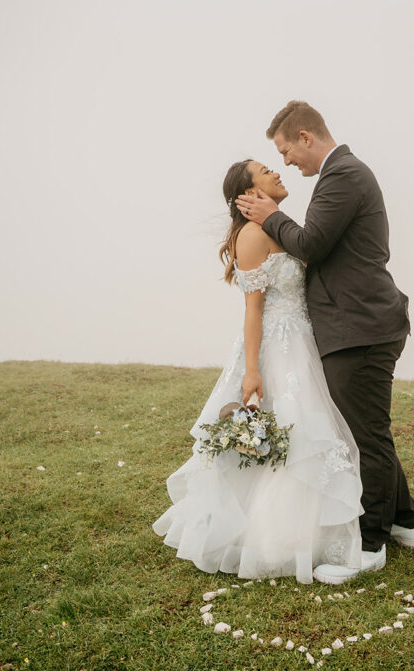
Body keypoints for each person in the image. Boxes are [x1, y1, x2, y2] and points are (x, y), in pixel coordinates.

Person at [236, 101, 414, 584]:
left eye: (285, 150)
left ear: (305, 137)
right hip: (353, 327)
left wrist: (271, 214)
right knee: (364, 426)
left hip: (361, 328)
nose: (286, 162)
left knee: (366, 436)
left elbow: (312, 243)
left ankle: (370, 545)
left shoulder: (344, 174)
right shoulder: (339, 175)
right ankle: (408, 520)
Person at [152, 159, 363, 585]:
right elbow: (253, 311)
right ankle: (268, 541)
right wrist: (252, 373)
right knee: (286, 435)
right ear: (248, 194)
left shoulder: (282, 226)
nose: (277, 173)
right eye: (267, 170)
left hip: (303, 343)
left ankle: (307, 537)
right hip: (274, 349)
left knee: (304, 435)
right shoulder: (252, 235)